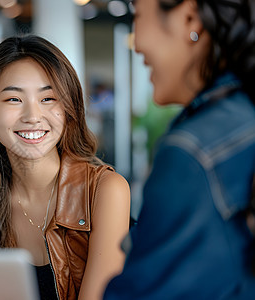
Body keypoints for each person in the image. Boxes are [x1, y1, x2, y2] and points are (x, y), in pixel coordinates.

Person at [0, 35, 131, 300]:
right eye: (13, 99)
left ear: (68, 110)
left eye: (48, 99)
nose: (32, 116)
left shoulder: (105, 190)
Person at [103, 0, 255, 299]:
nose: (136, 43)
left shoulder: (192, 154)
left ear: (189, 19)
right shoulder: (242, 119)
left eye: (138, 15)